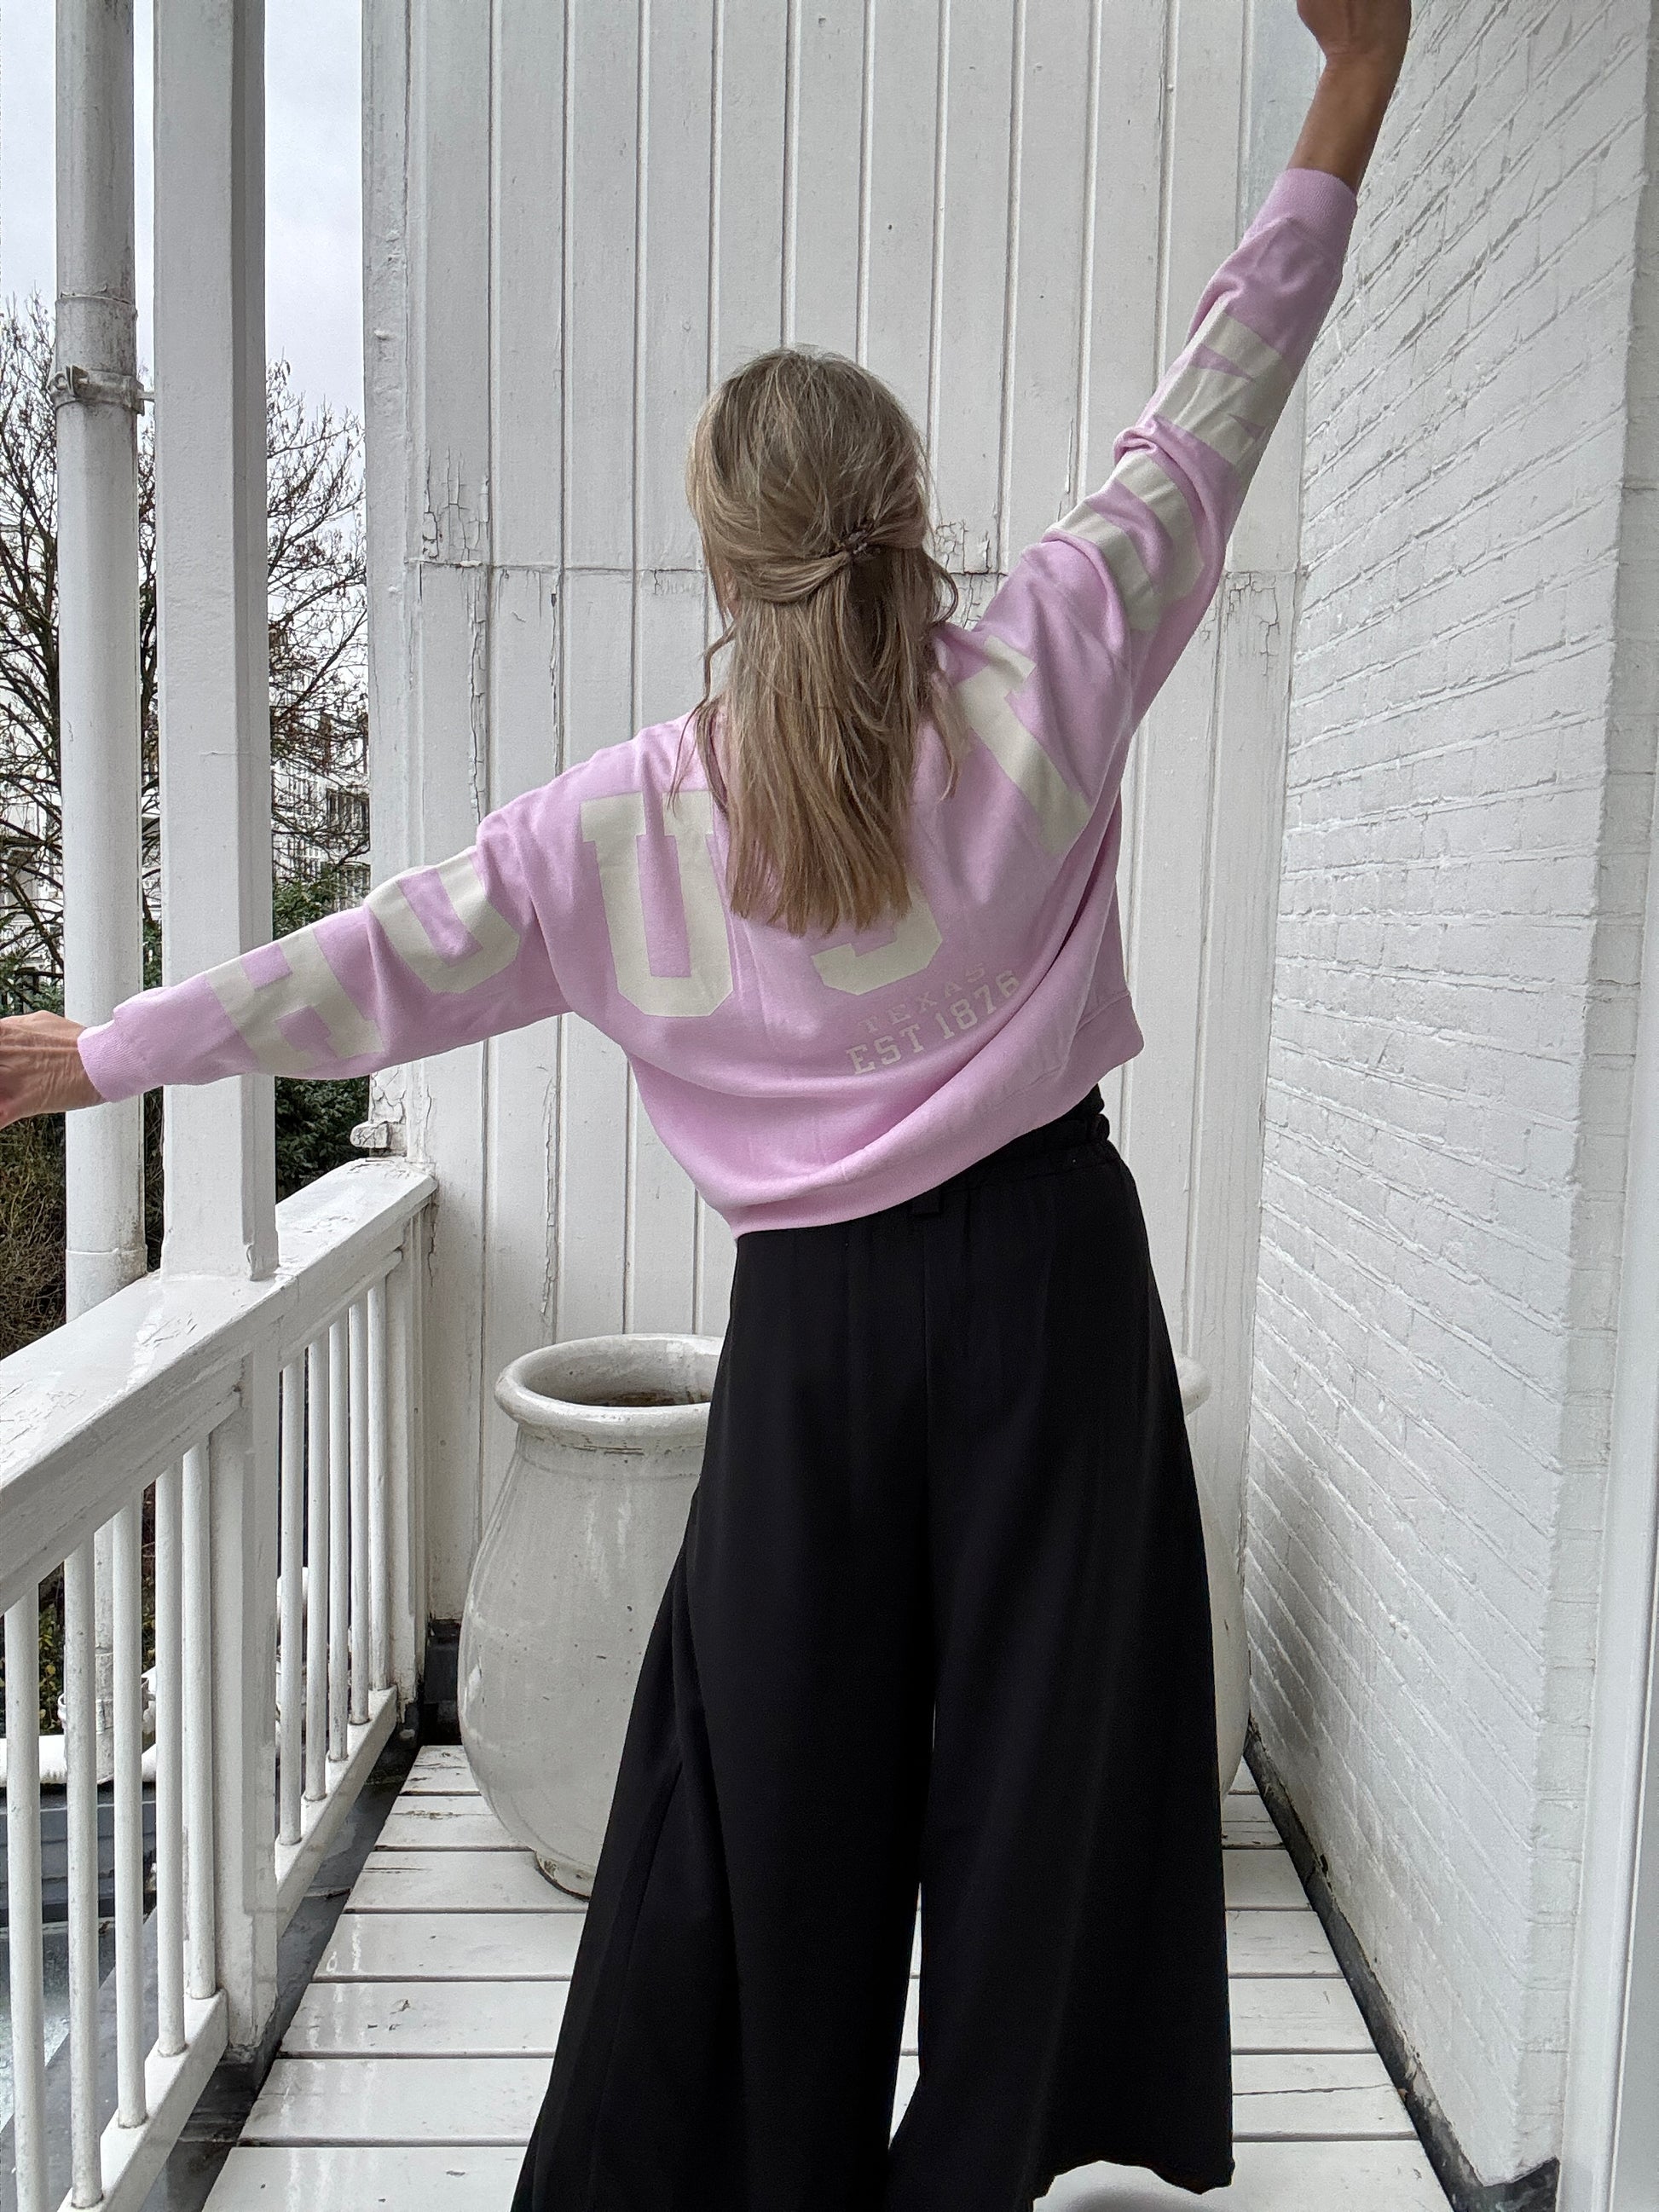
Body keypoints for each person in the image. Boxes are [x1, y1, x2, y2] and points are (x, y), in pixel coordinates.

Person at [1, 3, 1409, 2203]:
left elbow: (360, 971)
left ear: (722, 564)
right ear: (909, 512)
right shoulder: (1055, 656)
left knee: (772, 1788)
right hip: (1050, 1291)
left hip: (819, 1342)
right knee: (1043, 1770)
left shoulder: (617, 832)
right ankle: (980, 2168)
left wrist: (102, 1050)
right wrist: (1354, 79)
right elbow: (1227, 382)